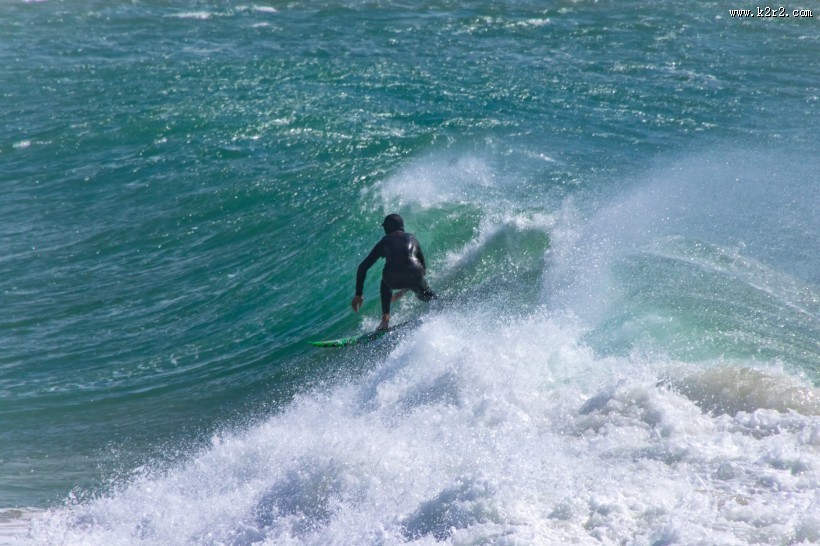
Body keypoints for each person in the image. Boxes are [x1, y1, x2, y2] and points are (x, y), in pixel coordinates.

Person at [351, 213, 436, 331]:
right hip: (416, 273)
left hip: (393, 278)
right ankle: (440, 305)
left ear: (387, 228)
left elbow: (363, 267)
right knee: (425, 293)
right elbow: (421, 268)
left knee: (385, 282)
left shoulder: (384, 242)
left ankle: (385, 320)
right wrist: (406, 289)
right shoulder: (413, 238)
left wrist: (359, 294)